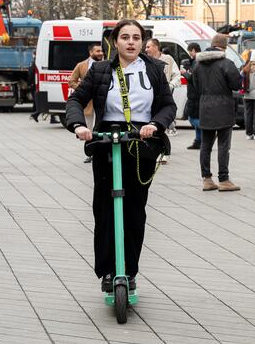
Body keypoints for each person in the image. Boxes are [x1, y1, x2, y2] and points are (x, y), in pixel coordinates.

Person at [67, 19, 176, 293]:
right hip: (106, 142)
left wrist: (156, 125)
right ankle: (108, 270)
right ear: (115, 41)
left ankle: (128, 270)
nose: (131, 42)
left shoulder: (154, 70)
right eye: (125, 37)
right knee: (105, 210)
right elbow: (75, 100)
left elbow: (167, 105)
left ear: (142, 42)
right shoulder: (101, 70)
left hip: (142, 142)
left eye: (136, 38)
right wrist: (79, 125)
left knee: (134, 211)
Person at [187, 33, 242, 191]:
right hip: (224, 108)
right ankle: (224, 180)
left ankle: (207, 179)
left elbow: (196, 86)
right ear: (224, 47)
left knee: (206, 145)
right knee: (224, 145)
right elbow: (237, 85)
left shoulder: (198, 65)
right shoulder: (226, 63)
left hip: (205, 107)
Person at [68, 43, 105, 163]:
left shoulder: (109, 64)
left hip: (103, 104)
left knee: (101, 127)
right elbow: (71, 81)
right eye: (97, 51)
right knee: (89, 129)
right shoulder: (81, 65)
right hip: (88, 105)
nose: (100, 53)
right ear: (91, 53)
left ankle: (100, 152)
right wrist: (84, 88)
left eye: (101, 51)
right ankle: (91, 152)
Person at [145, 38, 181, 140]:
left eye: (148, 47)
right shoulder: (145, 61)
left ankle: (169, 128)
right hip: (150, 93)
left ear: (156, 47)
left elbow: (177, 74)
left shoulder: (168, 59)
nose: (146, 49)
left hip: (164, 92)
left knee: (165, 110)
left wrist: (170, 85)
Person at [183, 42, 202, 150]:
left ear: (193, 50)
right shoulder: (198, 61)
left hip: (195, 94)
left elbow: (193, 78)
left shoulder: (196, 62)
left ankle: (207, 133)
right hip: (195, 94)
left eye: (190, 51)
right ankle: (198, 141)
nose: (189, 53)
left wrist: (184, 73)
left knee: (191, 118)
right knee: (195, 116)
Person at [242, 50, 255, 140]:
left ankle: (248, 134)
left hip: (247, 95)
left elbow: (240, 79)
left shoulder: (245, 69)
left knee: (248, 114)